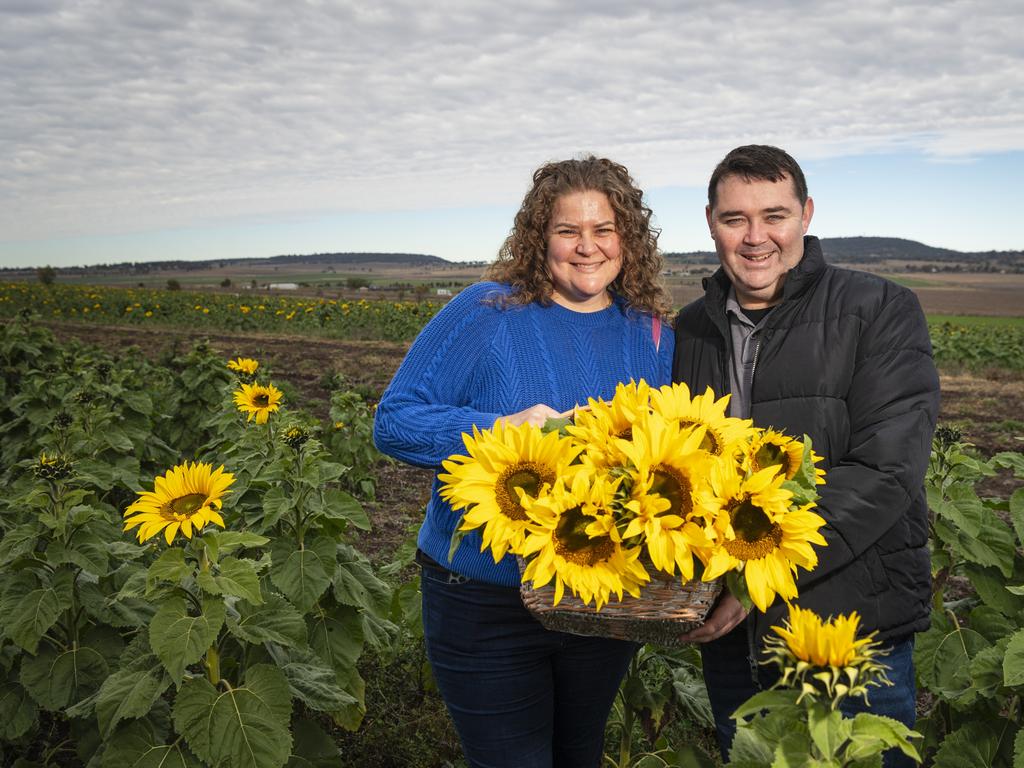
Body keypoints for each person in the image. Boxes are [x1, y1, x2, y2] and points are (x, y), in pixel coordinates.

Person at [373, 156, 675, 768]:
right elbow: (395, 420)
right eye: (568, 231)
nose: (587, 247)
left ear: (629, 238)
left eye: (604, 229)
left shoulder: (650, 333)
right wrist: (498, 430)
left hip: (595, 598)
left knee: (578, 754)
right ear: (540, 238)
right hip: (483, 599)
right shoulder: (487, 311)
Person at [673, 145, 940, 767]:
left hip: (844, 625)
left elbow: (886, 469)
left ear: (807, 215)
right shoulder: (693, 328)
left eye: (775, 215)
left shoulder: (879, 308)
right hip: (734, 636)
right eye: (735, 218)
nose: (756, 237)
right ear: (711, 222)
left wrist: (757, 576)